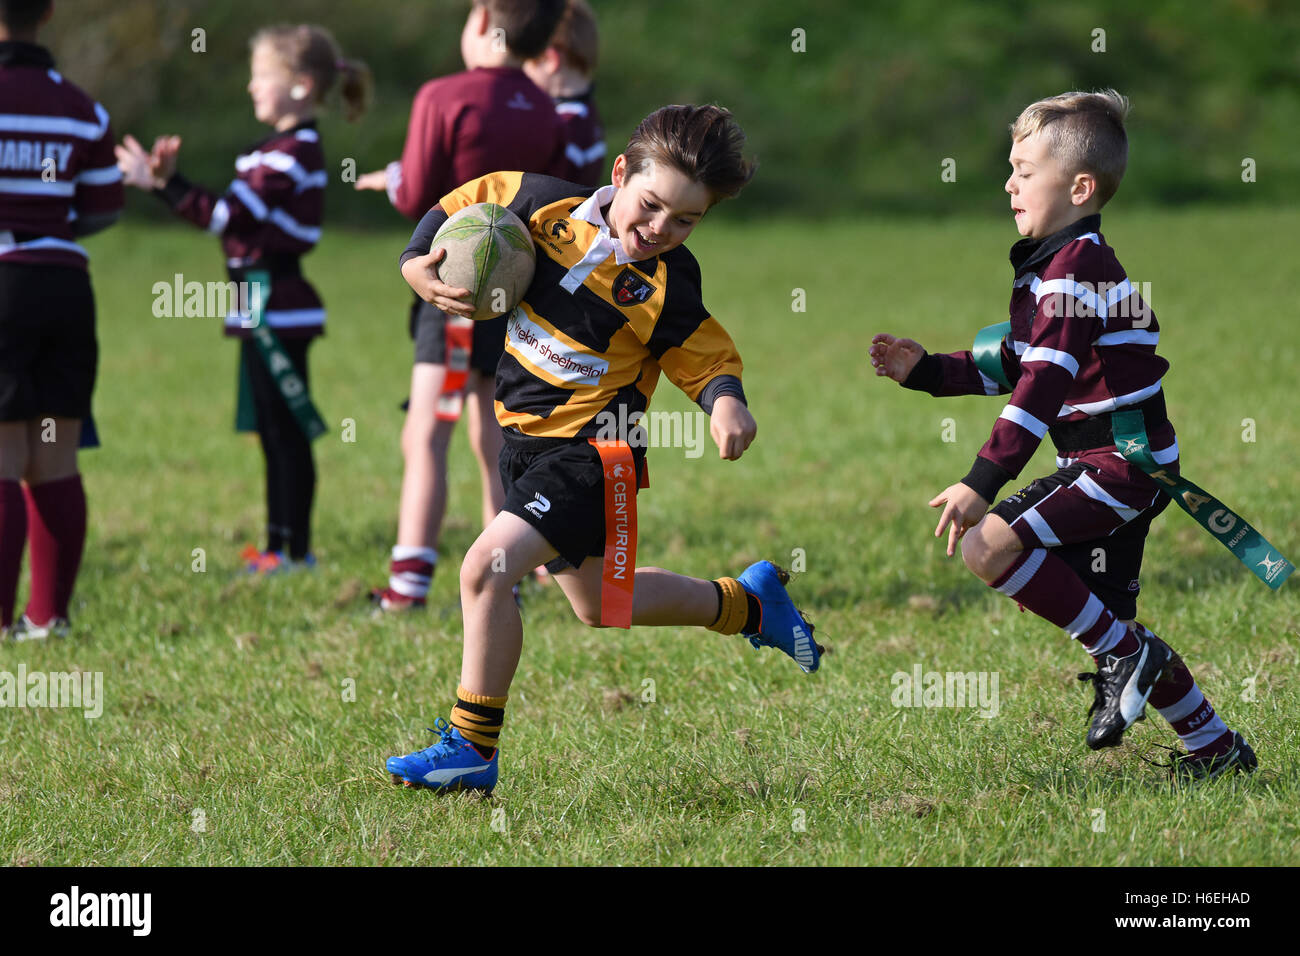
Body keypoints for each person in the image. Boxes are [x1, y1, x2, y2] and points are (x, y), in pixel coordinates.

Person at [384, 105, 824, 794]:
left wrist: (726, 401)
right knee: (598, 606)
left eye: (685, 220)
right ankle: (748, 604)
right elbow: (458, 202)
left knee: (484, 568)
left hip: (593, 455)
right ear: (619, 174)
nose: (660, 230)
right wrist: (416, 264)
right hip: (522, 442)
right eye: (651, 206)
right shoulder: (534, 205)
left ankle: (471, 747)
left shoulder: (668, 281)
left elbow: (702, 352)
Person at [870, 90, 1255, 783]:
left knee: (988, 544)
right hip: (1120, 462)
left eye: (1024, 169)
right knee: (1113, 626)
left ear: (1079, 186)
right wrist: (927, 371)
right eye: (1009, 168)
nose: (1009, 182)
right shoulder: (1066, 265)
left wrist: (981, 481)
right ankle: (1216, 747)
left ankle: (1124, 658)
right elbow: (1026, 362)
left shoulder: (1074, 267)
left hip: (1118, 464)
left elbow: (1042, 386)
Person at [117, 24, 371, 573]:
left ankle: (294, 551)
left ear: (301, 85)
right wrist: (162, 184)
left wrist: (168, 185)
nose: (251, 88)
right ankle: (278, 546)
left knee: (287, 428)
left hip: (278, 305)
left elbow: (225, 218)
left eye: (262, 77)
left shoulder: (288, 156)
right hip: (257, 305)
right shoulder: (275, 151)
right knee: (272, 428)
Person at [355, 0, 566, 611]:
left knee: (427, 431)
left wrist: (392, 181)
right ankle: (513, 570)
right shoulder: (545, 104)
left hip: (452, 292)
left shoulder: (443, 95)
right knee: (494, 430)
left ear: (481, 23)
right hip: (519, 293)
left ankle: (408, 584)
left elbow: (421, 191)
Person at [0, 0, 123, 641]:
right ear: (46, 14)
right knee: (53, 452)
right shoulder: (80, 105)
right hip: (63, 286)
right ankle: (49, 619)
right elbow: (103, 205)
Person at [523, 0, 604, 188]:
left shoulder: (563, 126)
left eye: (526, 62)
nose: (523, 72)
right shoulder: (587, 116)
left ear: (550, 60)